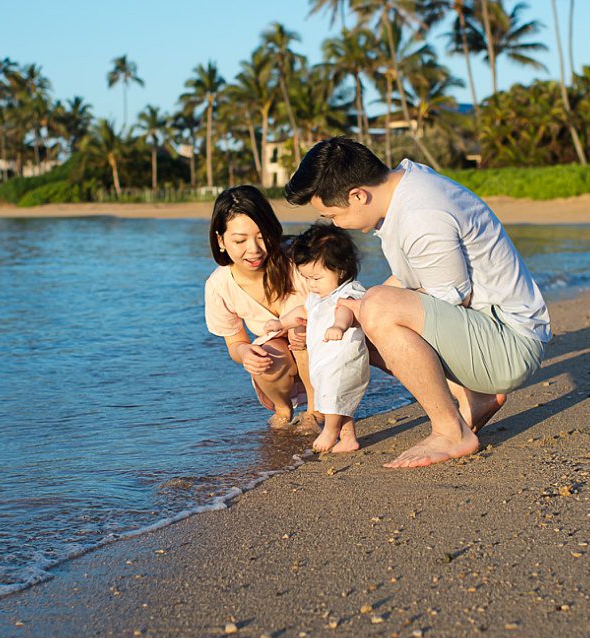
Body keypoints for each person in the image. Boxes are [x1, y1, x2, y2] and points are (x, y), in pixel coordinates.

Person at [285, 136, 549, 468]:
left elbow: (452, 297)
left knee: (376, 307)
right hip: (489, 331)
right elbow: (415, 283)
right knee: (364, 313)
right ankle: (475, 397)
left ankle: (451, 431)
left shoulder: (420, 213)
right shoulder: (405, 188)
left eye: (333, 215)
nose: (336, 225)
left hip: (510, 344)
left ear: (358, 195)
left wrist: (368, 308)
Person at [203, 186, 317, 429]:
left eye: (261, 235)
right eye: (240, 240)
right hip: (281, 357)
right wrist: (245, 354)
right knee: (264, 354)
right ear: (220, 240)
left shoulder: (298, 258)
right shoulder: (219, 285)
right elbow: (235, 344)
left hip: (324, 346)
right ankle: (283, 409)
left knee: (300, 331)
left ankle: (316, 410)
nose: (254, 249)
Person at [265, 223, 370, 456]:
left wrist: (338, 325)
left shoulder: (348, 291)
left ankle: (330, 431)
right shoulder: (317, 296)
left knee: (333, 396)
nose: (311, 284)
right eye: (306, 278)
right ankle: (348, 437)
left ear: (341, 269)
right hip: (325, 361)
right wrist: (281, 324)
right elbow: (301, 312)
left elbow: (347, 310)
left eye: (316, 278)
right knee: (335, 399)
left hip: (344, 359)